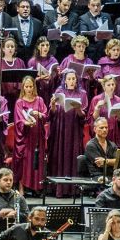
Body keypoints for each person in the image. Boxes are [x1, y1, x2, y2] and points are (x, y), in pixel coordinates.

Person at [48, 69, 89, 197]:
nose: (71, 81)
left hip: (74, 129)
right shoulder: (59, 92)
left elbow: (83, 116)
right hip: (60, 129)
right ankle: (59, 189)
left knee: (73, 155)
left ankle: (73, 190)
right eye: (69, 79)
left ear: (76, 80)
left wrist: (78, 109)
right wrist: (53, 105)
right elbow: (52, 113)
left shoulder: (82, 93)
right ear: (65, 80)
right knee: (60, 155)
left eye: (73, 79)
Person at [83, 117, 118, 183]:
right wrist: (112, 162)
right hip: (97, 176)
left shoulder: (112, 145)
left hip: (112, 176)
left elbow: (118, 162)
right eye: (101, 128)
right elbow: (100, 164)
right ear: (95, 129)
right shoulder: (91, 145)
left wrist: (105, 161)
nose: (104, 130)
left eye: (106, 127)